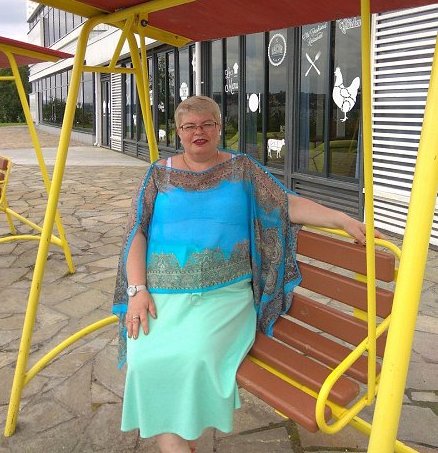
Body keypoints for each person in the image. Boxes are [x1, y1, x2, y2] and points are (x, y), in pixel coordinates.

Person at [112, 95, 380, 453]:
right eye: (190, 126)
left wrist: (342, 218)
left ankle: (177, 445)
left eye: (207, 124)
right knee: (144, 360)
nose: (198, 132)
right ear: (178, 132)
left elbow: (285, 203)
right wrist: (137, 290)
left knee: (195, 355)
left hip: (223, 297)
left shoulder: (243, 169)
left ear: (219, 127)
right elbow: (136, 231)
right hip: (160, 295)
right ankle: (179, 444)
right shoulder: (158, 174)